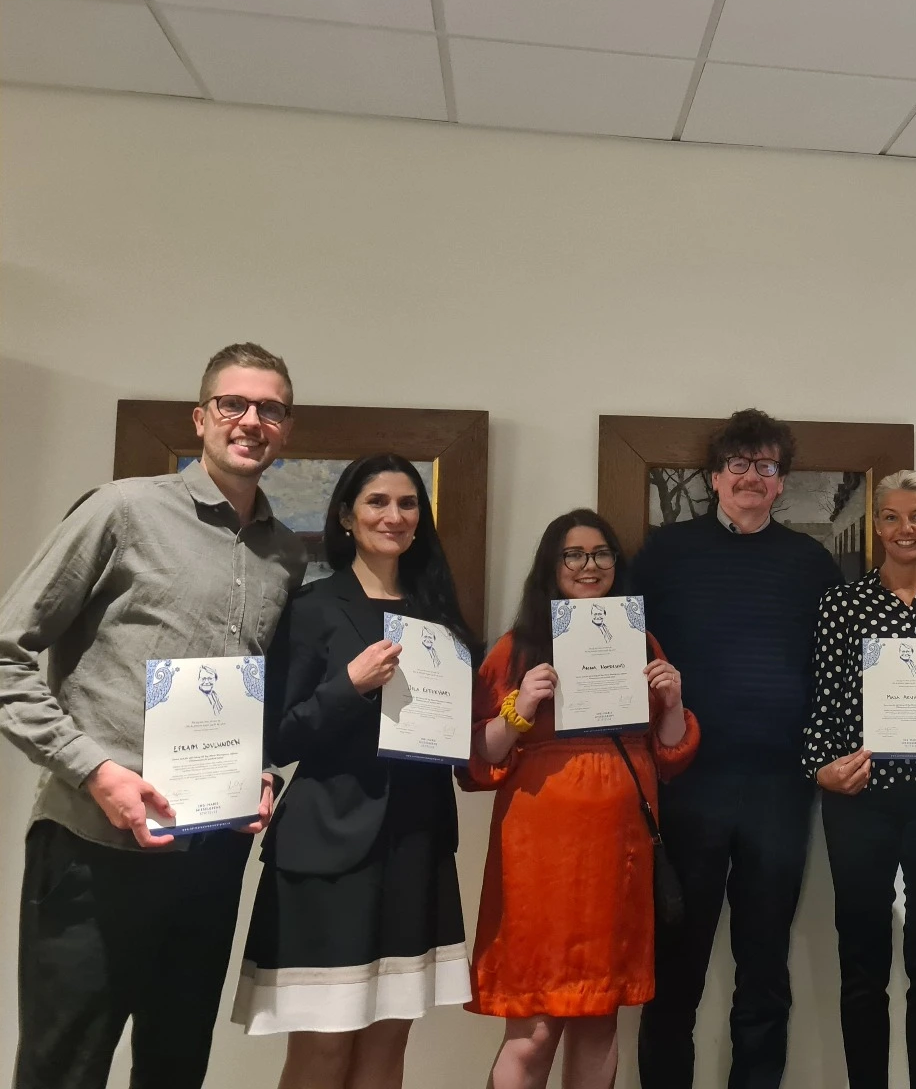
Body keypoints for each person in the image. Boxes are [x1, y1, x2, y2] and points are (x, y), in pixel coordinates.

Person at [0, 343, 303, 1089]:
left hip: (207, 858)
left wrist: (257, 773)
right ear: (201, 418)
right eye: (233, 404)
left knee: (174, 1069)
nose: (251, 420)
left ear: (285, 430)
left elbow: (249, 690)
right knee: (62, 1069)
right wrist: (95, 770)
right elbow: (6, 653)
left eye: (270, 408)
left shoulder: (285, 556)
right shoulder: (122, 509)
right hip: (91, 848)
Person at [232, 454, 478, 1087]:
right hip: (328, 851)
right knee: (324, 1050)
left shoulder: (439, 618)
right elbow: (277, 737)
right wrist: (350, 685)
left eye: (407, 504)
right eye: (377, 502)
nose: (393, 516)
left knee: (387, 1048)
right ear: (346, 515)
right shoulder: (312, 607)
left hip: (415, 847)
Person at [634, 408, 843, 1089]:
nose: (752, 478)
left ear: (781, 482)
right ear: (715, 477)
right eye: (739, 465)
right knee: (676, 973)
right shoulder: (664, 554)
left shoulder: (811, 564)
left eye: (766, 466)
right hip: (687, 787)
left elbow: (836, 673)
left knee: (763, 973)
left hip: (780, 791)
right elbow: (616, 650)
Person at [466, 509, 700, 1089]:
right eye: (574, 554)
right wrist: (519, 709)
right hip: (539, 856)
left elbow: (669, 755)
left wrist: (671, 703)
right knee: (535, 1026)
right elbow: (477, 760)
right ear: (552, 564)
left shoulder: (639, 640)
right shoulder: (516, 647)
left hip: (618, 850)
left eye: (601, 554)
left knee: (600, 1018)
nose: (589, 566)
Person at [802, 471, 916, 1089]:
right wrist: (821, 768)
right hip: (861, 801)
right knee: (862, 966)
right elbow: (823, 706)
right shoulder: (842, 604)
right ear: (876, 526)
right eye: (891, 517)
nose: (904, 529)